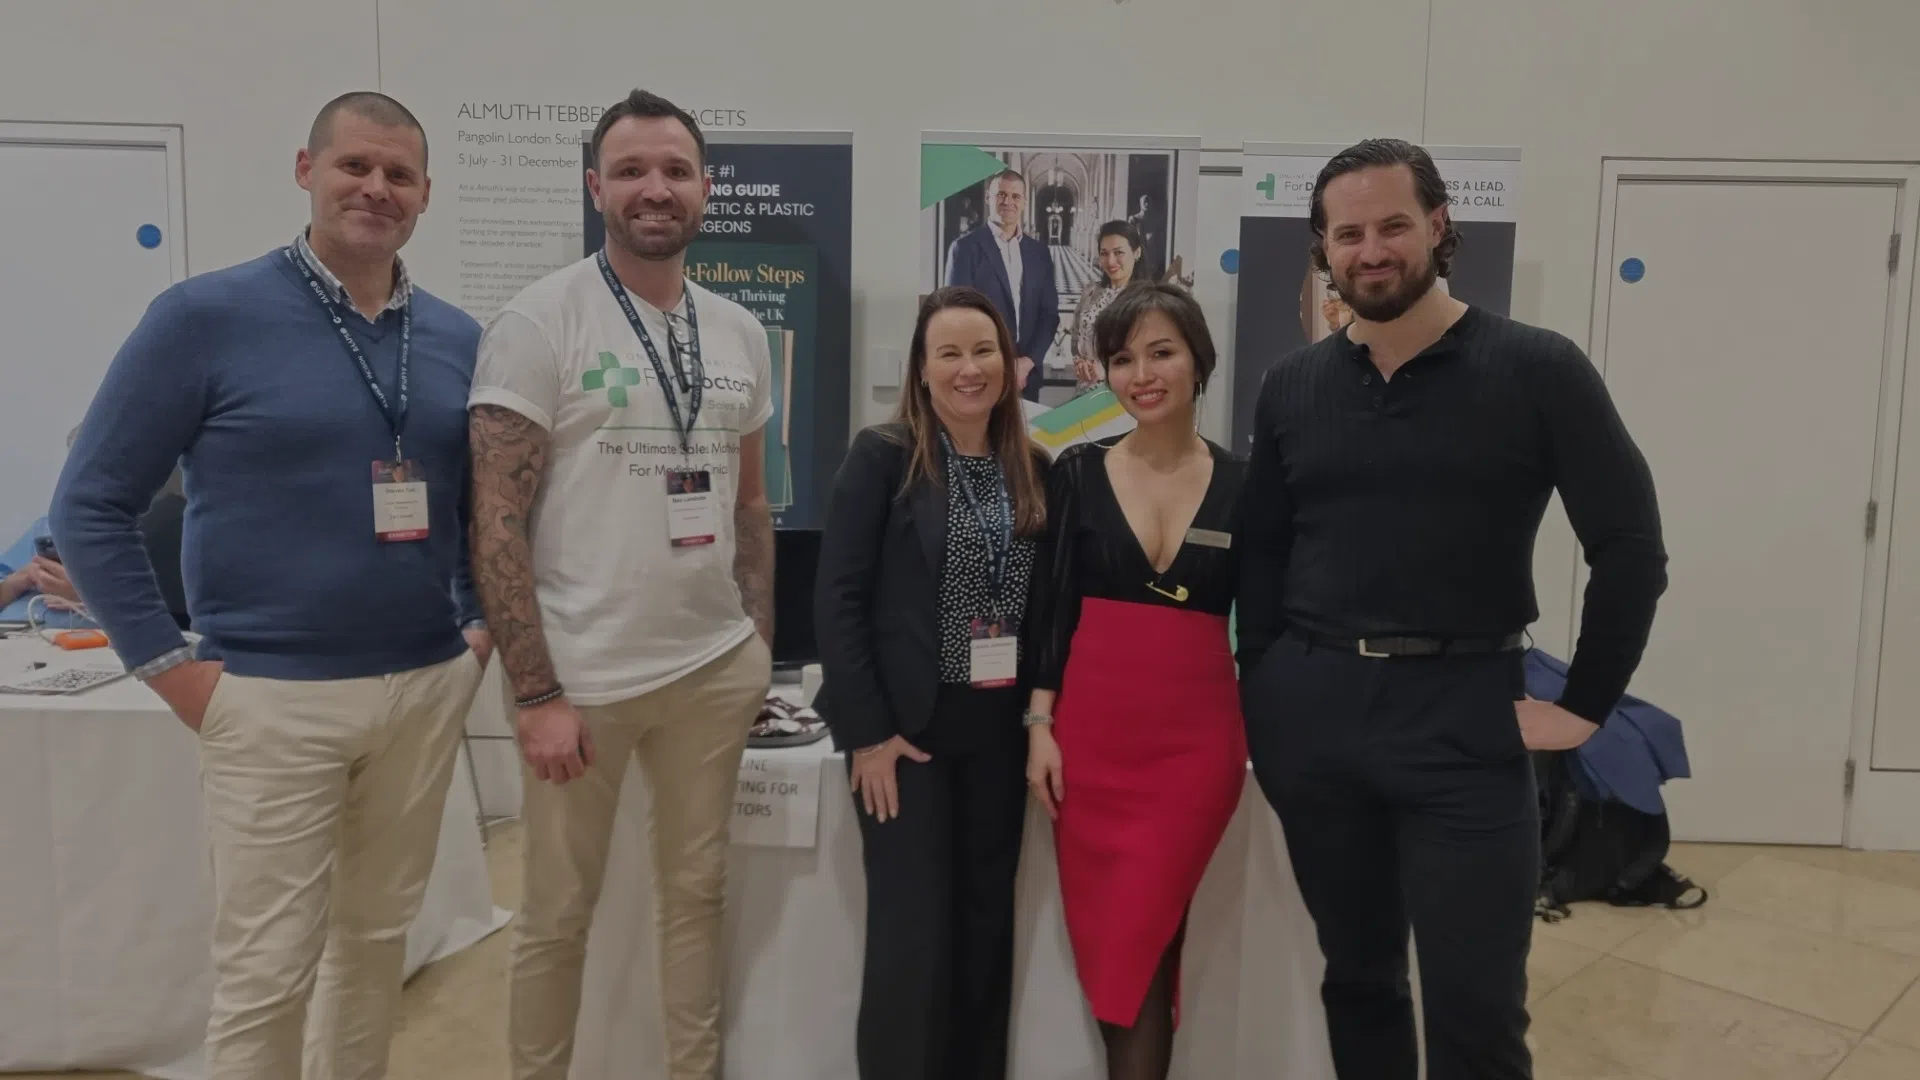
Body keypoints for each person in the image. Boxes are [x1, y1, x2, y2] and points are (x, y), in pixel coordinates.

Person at [48, 91, 491, 1080]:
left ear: (426, 195)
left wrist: (476, 632)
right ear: (306, 170)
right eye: (354, 166)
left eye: (399, 174)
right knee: (267, 974)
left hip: (425, 689)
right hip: (269, 697)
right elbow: (89, 504)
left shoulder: (459, 339)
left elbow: (476, 507)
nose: (376, 188)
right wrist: (171, 669)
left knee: (376, 950)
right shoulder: (203, 318)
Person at [1235, 138, 1667, 1080]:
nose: (1371, 250)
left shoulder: (1538, 369)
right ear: (1322, 249)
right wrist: (1264, 687)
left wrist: (1586, 705)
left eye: (1393, 225)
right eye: (1348, 233)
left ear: (1438, 224)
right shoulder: (1292, 386)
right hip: (1317, 717)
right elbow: (1262, 549)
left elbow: (1630, 546)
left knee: (1477, 1013)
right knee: (1359, 982)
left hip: (1465, 718)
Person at [467, 88, 775, 1080]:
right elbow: (496, 518)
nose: (655, 188)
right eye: (633, 169)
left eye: (675, 170)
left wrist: (756, 642)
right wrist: (535, 694)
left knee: (698, 897)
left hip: (712, 670)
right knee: (558, 917)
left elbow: (750, 503)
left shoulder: (739, 332)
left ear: (705, 189)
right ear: (596, 185)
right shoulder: (539, 320)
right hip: (583, 682)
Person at [813, 286, 1050, 1080]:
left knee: (985, 933)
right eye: (948, 353)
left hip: (997, 734)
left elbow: (1047, 606)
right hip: (905, 736)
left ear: (1009, 364)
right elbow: (838, 599)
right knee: (911, 942)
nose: (968, 368)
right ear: (921, 368)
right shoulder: (883, 457)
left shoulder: (1034, 467)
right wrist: (868, 735)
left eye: (983, 351)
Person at [1023, 283, 1246, 1079]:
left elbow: (1267, 621)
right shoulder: (1078, 471)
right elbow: (1051, 608)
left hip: (1195, 752)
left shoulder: (1245, 484)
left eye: (1161, 353)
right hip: (1091, 747)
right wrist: (1040, 725)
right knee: (1123, 953)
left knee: (1149, 940)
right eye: (1122, 359)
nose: (1141, 375)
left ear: (1198, 361)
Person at [945, 169, 1061, 402]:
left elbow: (1049, 315)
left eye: (1016, 196)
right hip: (981, 375)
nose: (1008, 201)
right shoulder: (964, 249)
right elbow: (958, 317)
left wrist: (1026, 363)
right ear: (988, 198)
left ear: (1024, 202)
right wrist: (996, 365)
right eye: (1001, 194)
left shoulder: (1039, 253)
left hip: (1026, 377)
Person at [1069, 222, 1149, 389]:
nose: (1110, 261)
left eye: (1118, 252)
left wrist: (1107, 371)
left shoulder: (1146, 299)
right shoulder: (1090, 291)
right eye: (1104, 253)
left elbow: (1148, 355)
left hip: (1126, 393)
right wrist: (1080, 362)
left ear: (1137, 253)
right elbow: (1076, 335)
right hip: (1086, 389)